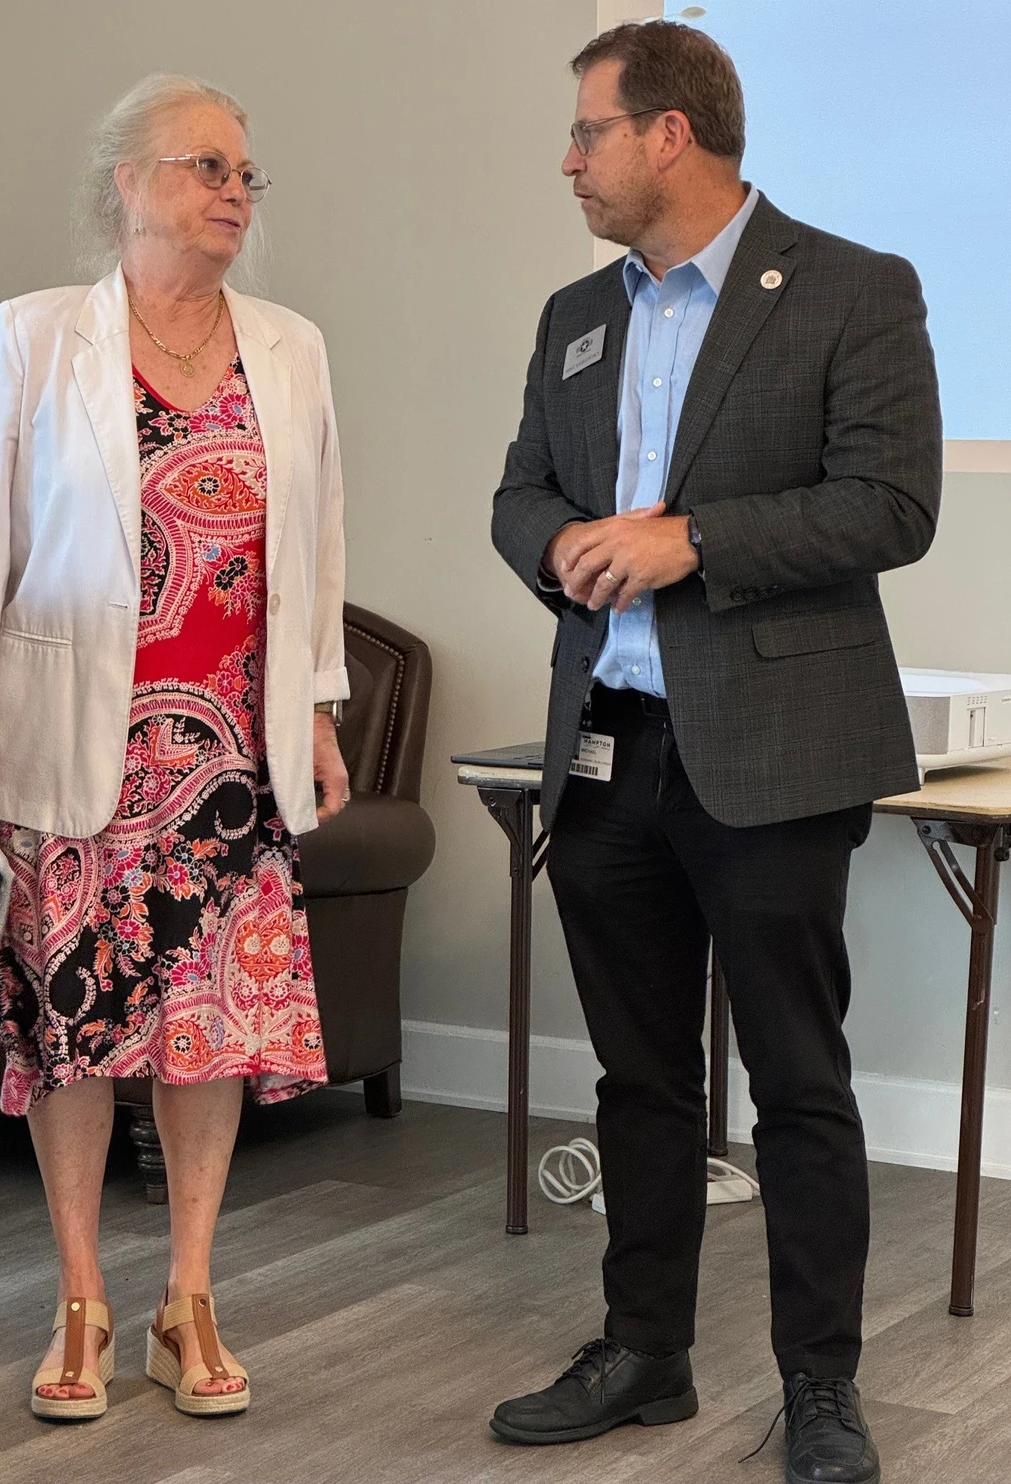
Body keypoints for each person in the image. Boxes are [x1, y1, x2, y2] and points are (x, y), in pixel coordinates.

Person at [490, 22, 940, 1484]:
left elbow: (889, 507)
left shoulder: (852, 290)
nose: (570, 159)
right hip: (610, 748)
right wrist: (556, 540)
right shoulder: (574, 312)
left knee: (800, 1082)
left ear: (670, 134)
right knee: (637, 1078)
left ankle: (820, 1387)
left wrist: (696, 542)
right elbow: (521, 491)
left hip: (777, 749)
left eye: (588, 133)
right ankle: (646, 1352)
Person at [0, 73, 350, 1421]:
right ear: (128, 182)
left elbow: (316, 548)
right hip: (75, 751)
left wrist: (324, 710)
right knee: (74, 1036)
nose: (236, 192)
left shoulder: (289, 346)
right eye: (207, 166)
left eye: (245, 174)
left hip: (234, 756)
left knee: (208, 1037)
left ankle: (189, 1297)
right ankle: (82, 1301)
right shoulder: (37, 337)